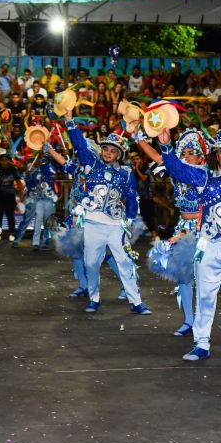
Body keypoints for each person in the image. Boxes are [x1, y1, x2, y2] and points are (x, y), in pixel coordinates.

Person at [156, 127, 221, 360]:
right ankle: (201, 343)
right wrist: (166, 147)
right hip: (209, 246)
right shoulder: (204, 176)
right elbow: (177, 170)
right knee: (204, 296)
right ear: (216, 155)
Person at [65, 109, 152, 315]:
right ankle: (94, 298)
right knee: (91, 263)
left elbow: (132, 196)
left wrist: (130, 219)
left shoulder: (126, 173)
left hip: (116, 225)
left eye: (112, 151)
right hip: (93, 224)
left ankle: (136, 301)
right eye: (105, 149)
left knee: (125, 262)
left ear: (119, 155)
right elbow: (78, 144)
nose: (107, 153)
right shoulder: (91, 163)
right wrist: (69, 121)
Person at [137, 129, 207, 336]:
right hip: (183, 229)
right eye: (182, 153)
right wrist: (139, 139)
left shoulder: (204, 174)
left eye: (189, 153)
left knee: (219, 280)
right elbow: (159, 158)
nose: (185, 157)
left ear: (201, 156)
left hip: (204, 231)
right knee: (183, 277)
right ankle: (189, 321)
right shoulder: (177, 171)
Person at [0, 154, 21, 242]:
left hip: (10, 196)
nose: (4, 162)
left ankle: (12, 233)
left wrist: (21, 194)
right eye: (2, 160)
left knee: (10, 215)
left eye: (6, 160)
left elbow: (19, 182)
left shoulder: (13, 169)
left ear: (9, 161)